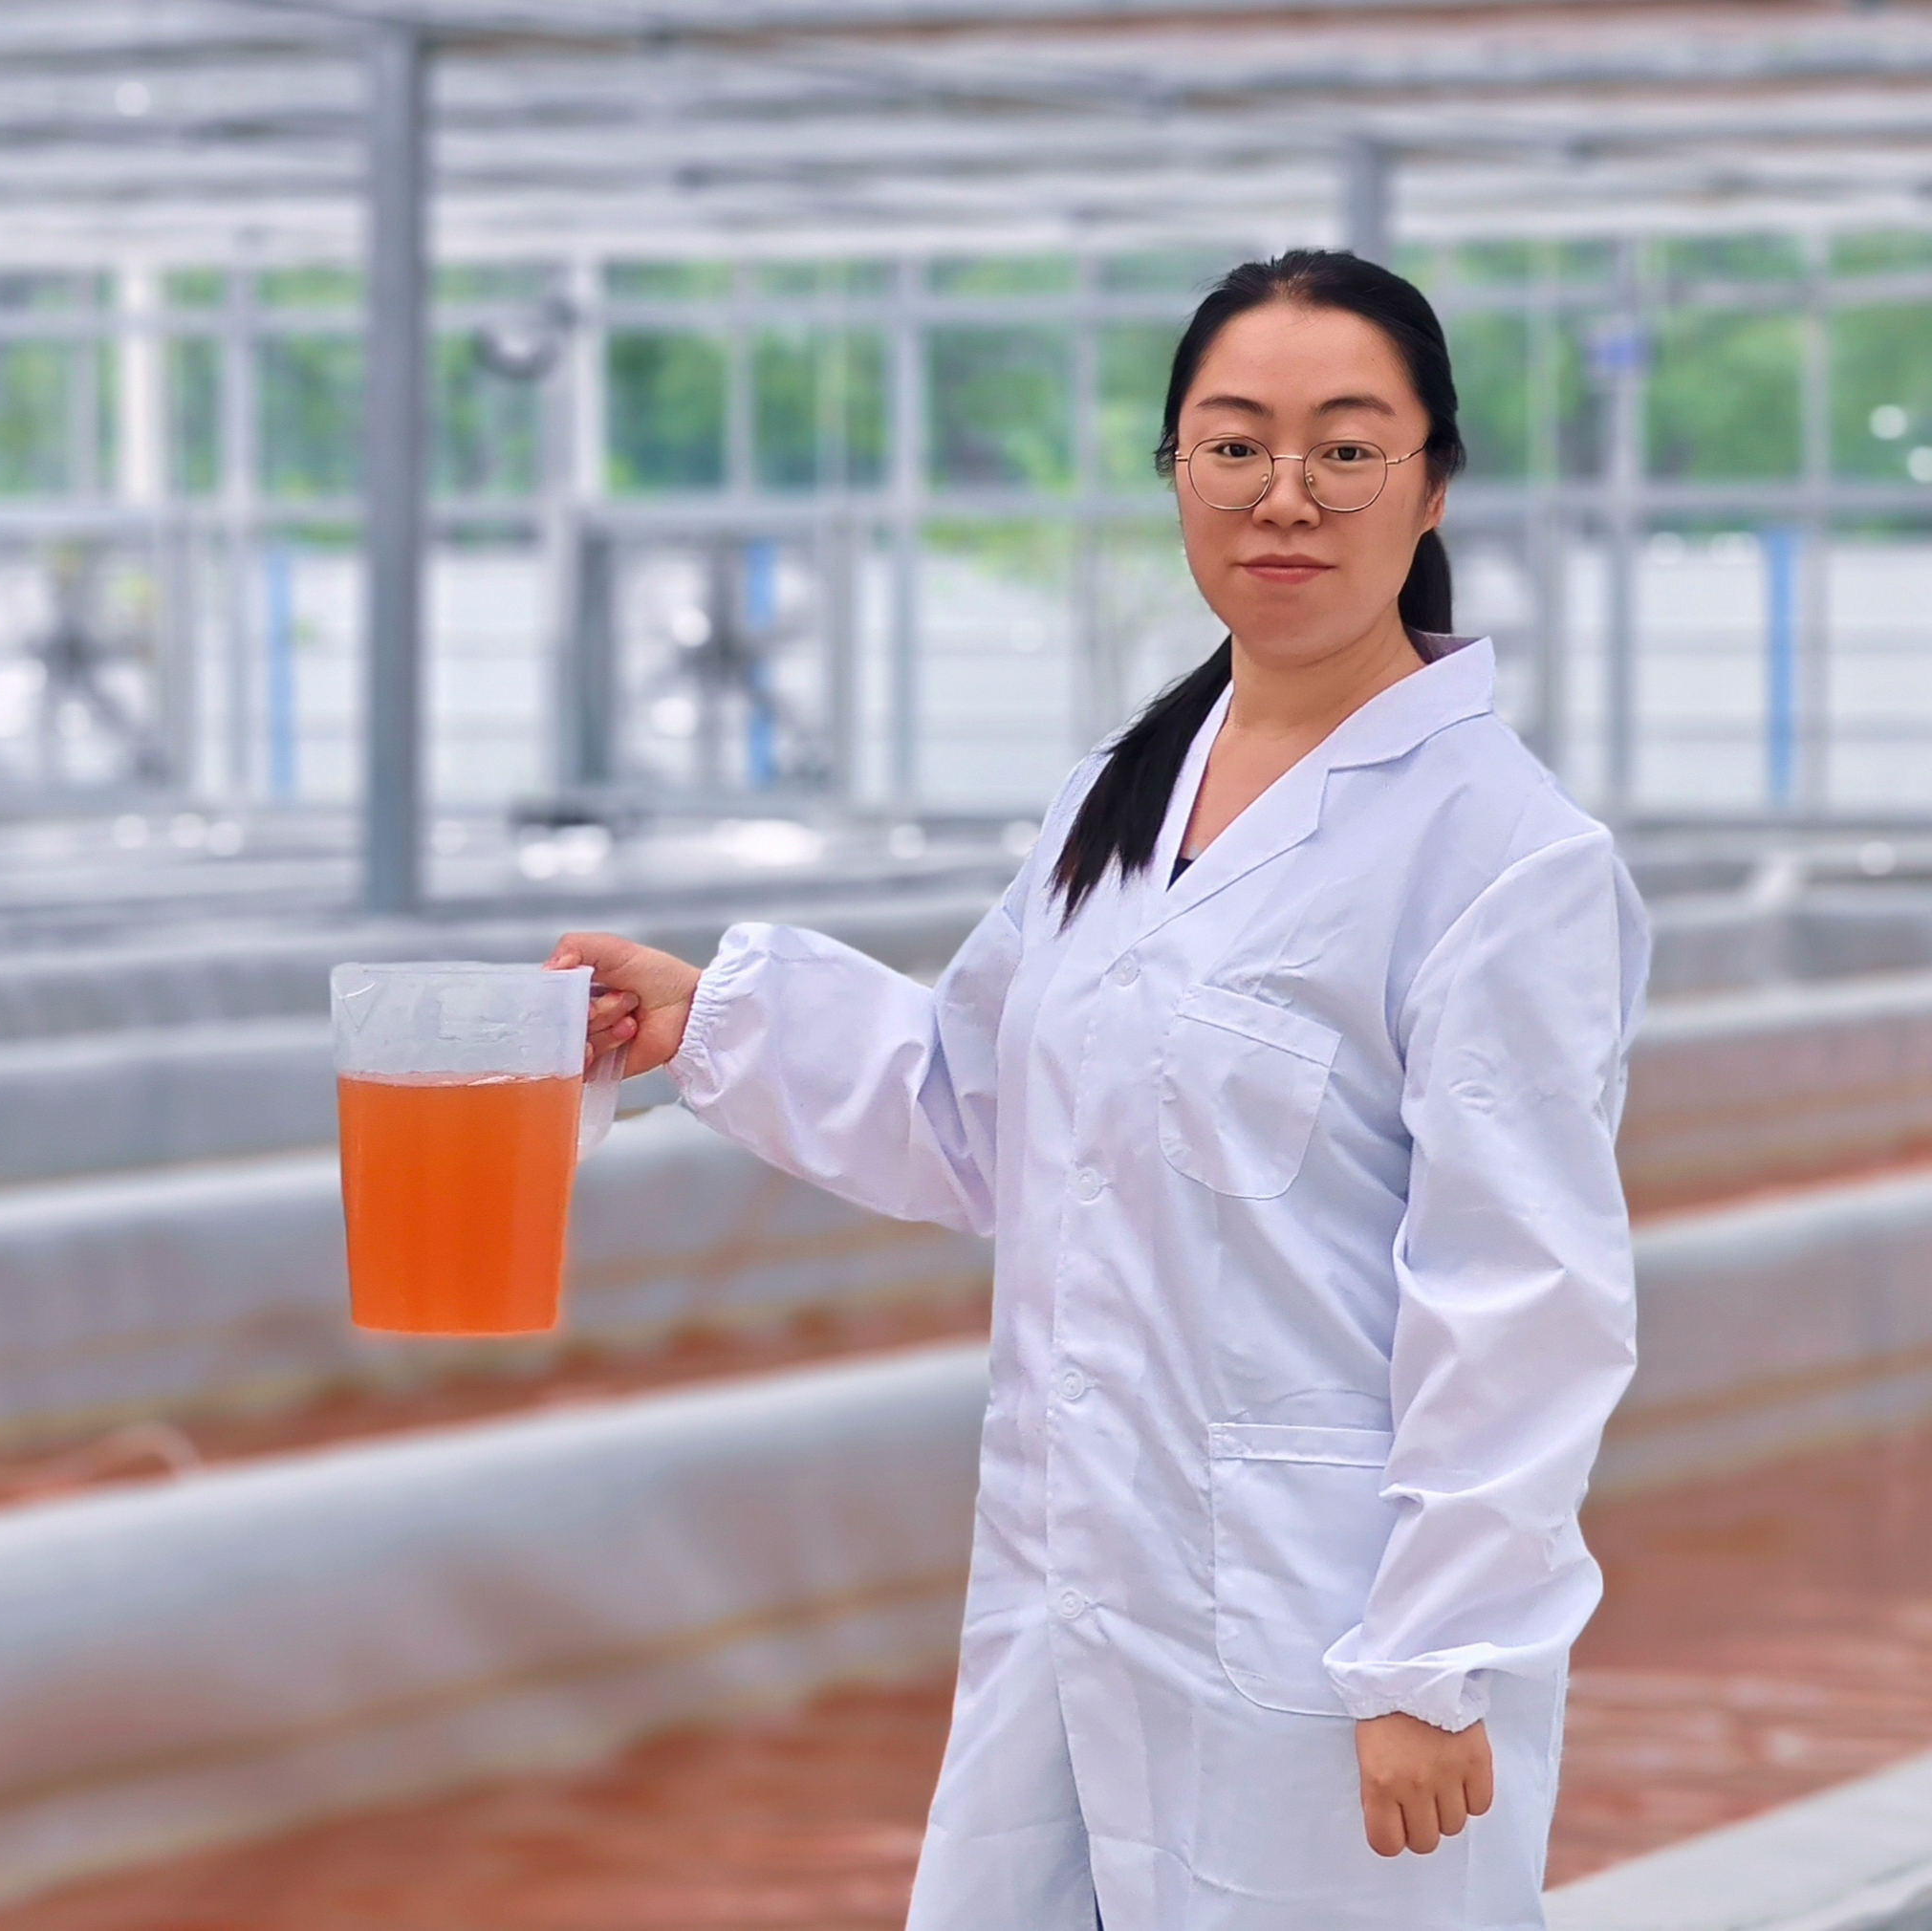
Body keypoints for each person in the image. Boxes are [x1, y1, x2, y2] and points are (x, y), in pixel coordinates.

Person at [554, 249, 1649, 1931]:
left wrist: (1438, 1654)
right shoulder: (1126, 798)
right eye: (1232, 445)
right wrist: (708, 1018)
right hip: (1075, 1590)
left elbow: (1523, 1293)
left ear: (1431, 482)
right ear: (1178, 476)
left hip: (1323, 1624)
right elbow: (978, 1108)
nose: (1285, 495)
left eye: (1347, 449)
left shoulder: (1503, 856)